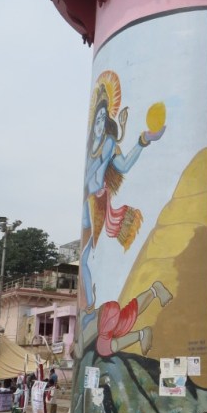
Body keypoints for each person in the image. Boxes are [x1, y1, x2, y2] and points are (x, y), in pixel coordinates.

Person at [80, 70, 165, 314]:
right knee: (85, 259)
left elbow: (124, 165)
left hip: (97, 205)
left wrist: (143, 140)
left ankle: (91, 305)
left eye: (103, 119)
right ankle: (89, 305)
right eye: (97, 120)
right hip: (87, 207)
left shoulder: (109, 145)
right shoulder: (92, 149)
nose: (99, 125)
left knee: (89, 257)